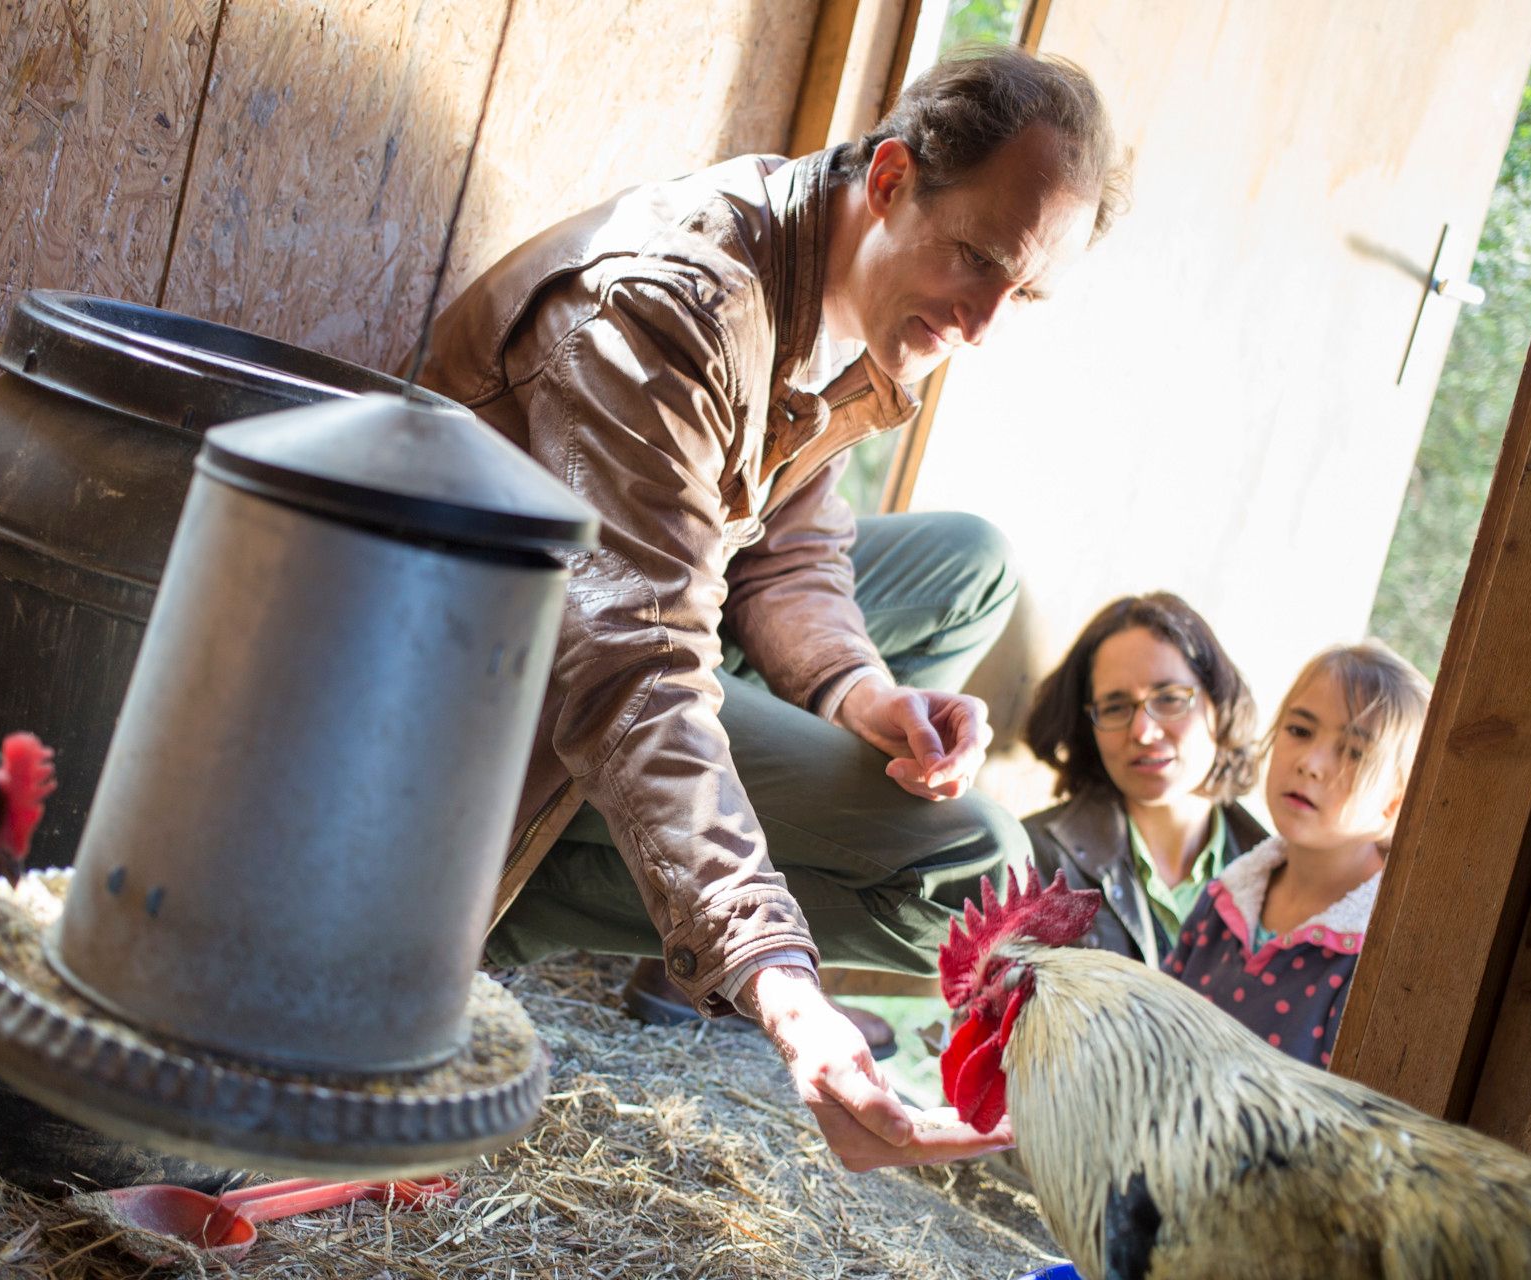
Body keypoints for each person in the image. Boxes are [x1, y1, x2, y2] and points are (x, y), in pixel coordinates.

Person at [417, 45, 1128, 1171]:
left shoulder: (840, 263)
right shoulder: (677, 308)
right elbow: (636, 666)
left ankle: (690, 881)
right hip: (477, 702)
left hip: (622, 623)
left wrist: (860, 691)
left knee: (970, 563)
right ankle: (519, 912)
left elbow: (786, 546)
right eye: (979, 258)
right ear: (892, 178)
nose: (986, 323)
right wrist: (785, 988)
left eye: (1022, 290)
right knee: (966, 859)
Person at [1161, 641, 1431, 1067]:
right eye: (1300, 731)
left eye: (1354, 751)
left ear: (1396, 802)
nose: (1311, 763)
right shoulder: (1223, 901)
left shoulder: (1376, 954)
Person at [1022, 592, 1267, 965]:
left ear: (1219, 703)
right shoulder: (1032, 860)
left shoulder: (1280, 875)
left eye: (1168, 698)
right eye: (1116, 707)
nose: (1144, 732)